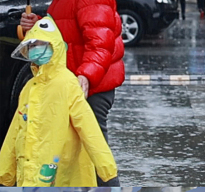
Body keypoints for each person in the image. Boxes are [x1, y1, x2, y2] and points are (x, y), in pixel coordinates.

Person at [20, 0, 124, 186]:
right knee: (73, 157)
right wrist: (36, 27)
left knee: (96, 154)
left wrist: (85, 76)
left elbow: (101, 43)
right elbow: (62, 36)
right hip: (70, 85)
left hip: (91, 87)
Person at [0, 16, 118, 187]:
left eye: (39, 44)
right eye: (31, 46)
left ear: (54, 47)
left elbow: (88, 127)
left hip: (59, 170)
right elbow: (15, 130)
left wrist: (107, 171)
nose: (34, 50)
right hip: (30, 171)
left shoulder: (67, 84)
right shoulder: (29, 87)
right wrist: (4, 173)